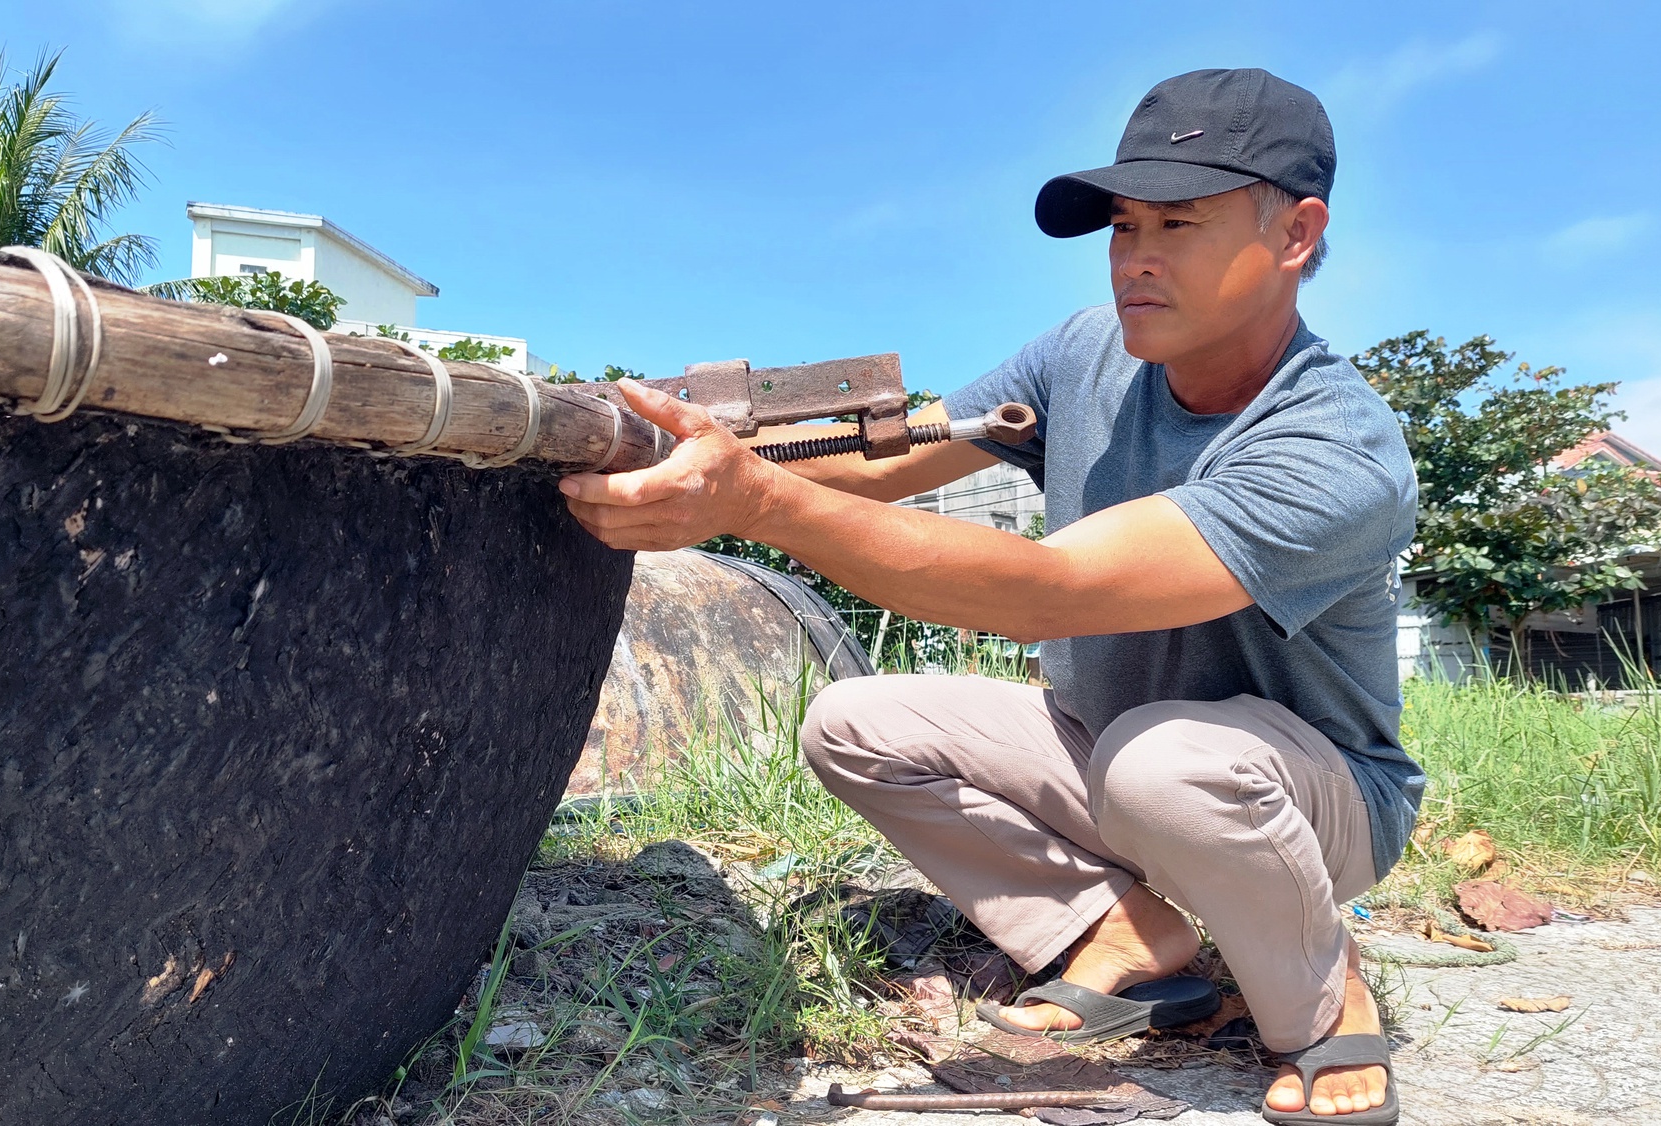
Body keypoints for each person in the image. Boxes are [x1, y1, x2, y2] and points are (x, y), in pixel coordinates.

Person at [558, 68, 1417, 1124]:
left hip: (1303, 797)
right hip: (1108, 752)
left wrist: (756, 503)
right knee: (854, 722)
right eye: (1122, 226)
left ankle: (1323, 1001)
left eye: (1178, 223)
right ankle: (1121, 930)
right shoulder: (1082, 353)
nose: (1134, 259)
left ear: (1296, 234)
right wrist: (682, 443)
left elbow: (1054, 591)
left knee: (1167, 764)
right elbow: (881, 459)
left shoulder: (1332, 447)